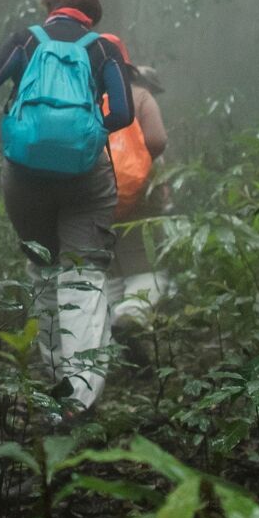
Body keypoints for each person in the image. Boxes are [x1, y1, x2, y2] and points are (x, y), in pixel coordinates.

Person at [0, 0, 133, 412]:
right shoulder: (104, 49)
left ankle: (56, 382)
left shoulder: (26, 40)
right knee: (85, 273)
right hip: (86, 177)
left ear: (50, 3)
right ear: (93, 7)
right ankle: (79, 396)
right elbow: (125, 113)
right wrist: (91, 129)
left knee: (43, 268)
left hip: (24, 174)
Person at [104, 52, 170, 331]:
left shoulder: (100, 97)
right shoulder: (143, 98)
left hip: (99, 195)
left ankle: (103, 328)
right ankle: (132, 314)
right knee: (147, 268)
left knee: (109, 268)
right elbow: (156, 142)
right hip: (139, 200)